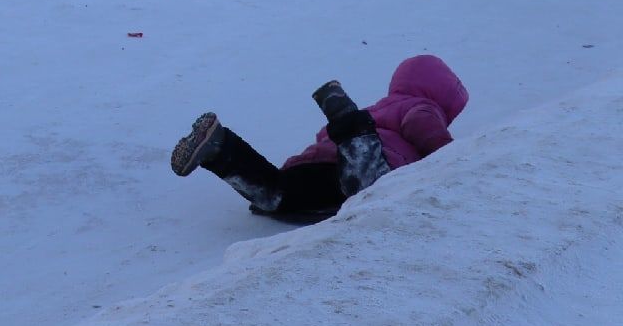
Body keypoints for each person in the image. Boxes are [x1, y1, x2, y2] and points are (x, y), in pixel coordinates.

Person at [170, 55, 469, 218]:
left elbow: (323, 135)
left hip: (316, 165)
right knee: (366, 182)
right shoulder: (421, 106)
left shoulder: (378, 106)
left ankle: (220, 149)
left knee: (275, 194)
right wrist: (453, 159)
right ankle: (343, 115)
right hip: (364, 161)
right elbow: (426, 131)